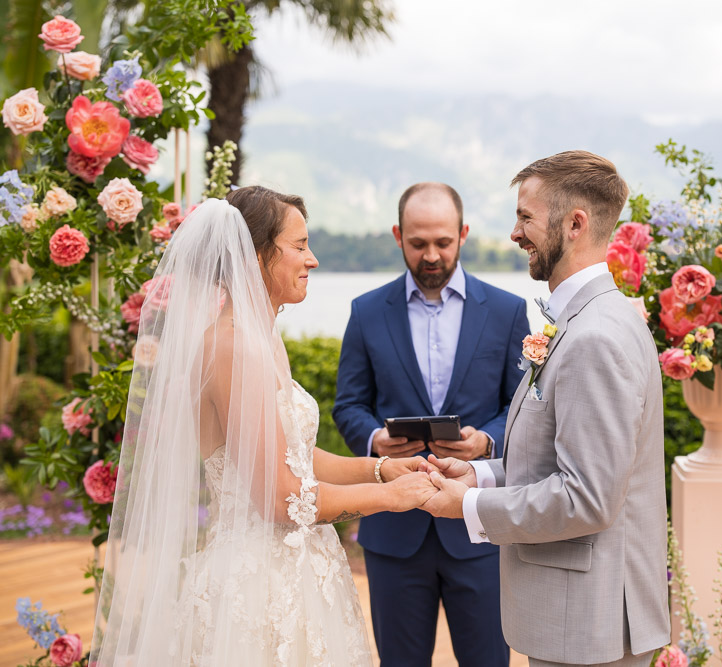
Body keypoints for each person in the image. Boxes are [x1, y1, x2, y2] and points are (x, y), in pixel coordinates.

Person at [90, 187, 439, 666]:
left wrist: (379, 470)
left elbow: (291, 454)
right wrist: (392, 499)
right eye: (299, 245)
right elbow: (280, 499)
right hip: (257, 591)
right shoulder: (233, 347)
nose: (312, 259)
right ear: (256, 255)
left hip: (299, 573)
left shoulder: (261, 337)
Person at [422, 152, 671, 667]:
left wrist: (467, 506)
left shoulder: (595, 336)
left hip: (589, 623)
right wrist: (479, 475)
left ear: (575, 224)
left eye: (525, 217)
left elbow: (586, 498)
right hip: (581, 618)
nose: (515, 234)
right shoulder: (591, 318)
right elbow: (558, 459)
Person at [333, 182, 530, 666]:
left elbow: (524, 405)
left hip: (480, 527)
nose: (431, 256)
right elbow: (348, 404)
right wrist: (376, 439)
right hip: (393, 531)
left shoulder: (507, 311)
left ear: (463, 234)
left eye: (443, 242)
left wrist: (487, 441)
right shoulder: (365, 312)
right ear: (397, 235)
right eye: (418, 243)